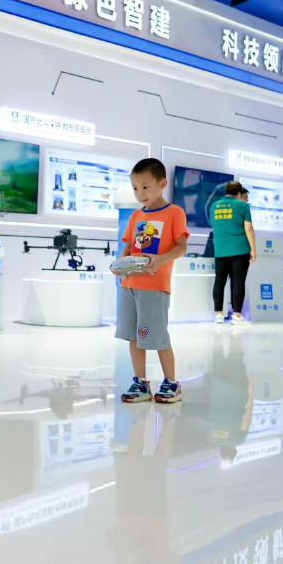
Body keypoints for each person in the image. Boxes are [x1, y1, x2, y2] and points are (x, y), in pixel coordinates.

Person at [113, 158, 189, 404]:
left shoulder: (174, 212)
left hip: (155, 287)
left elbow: (181, 246)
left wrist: (161, 260)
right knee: (133, 336)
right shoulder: (136, 215)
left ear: (162, 184)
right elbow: (129, 246)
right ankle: (140, 383)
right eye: (135, 188)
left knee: (157, 337)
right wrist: (120, 264)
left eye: (146, 187)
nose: (140, 193)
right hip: (129, 285)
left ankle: (171, 383)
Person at [209, 181, 256, 325]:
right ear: (239, 193)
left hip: (220, 249)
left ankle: (218, 314)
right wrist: (253, 249)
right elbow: (248, 228)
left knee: (219, 281)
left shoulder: (214, 206)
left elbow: (214, 225)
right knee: (238, 282)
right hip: (240, 249)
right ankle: (236, 315)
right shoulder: (242, 205)